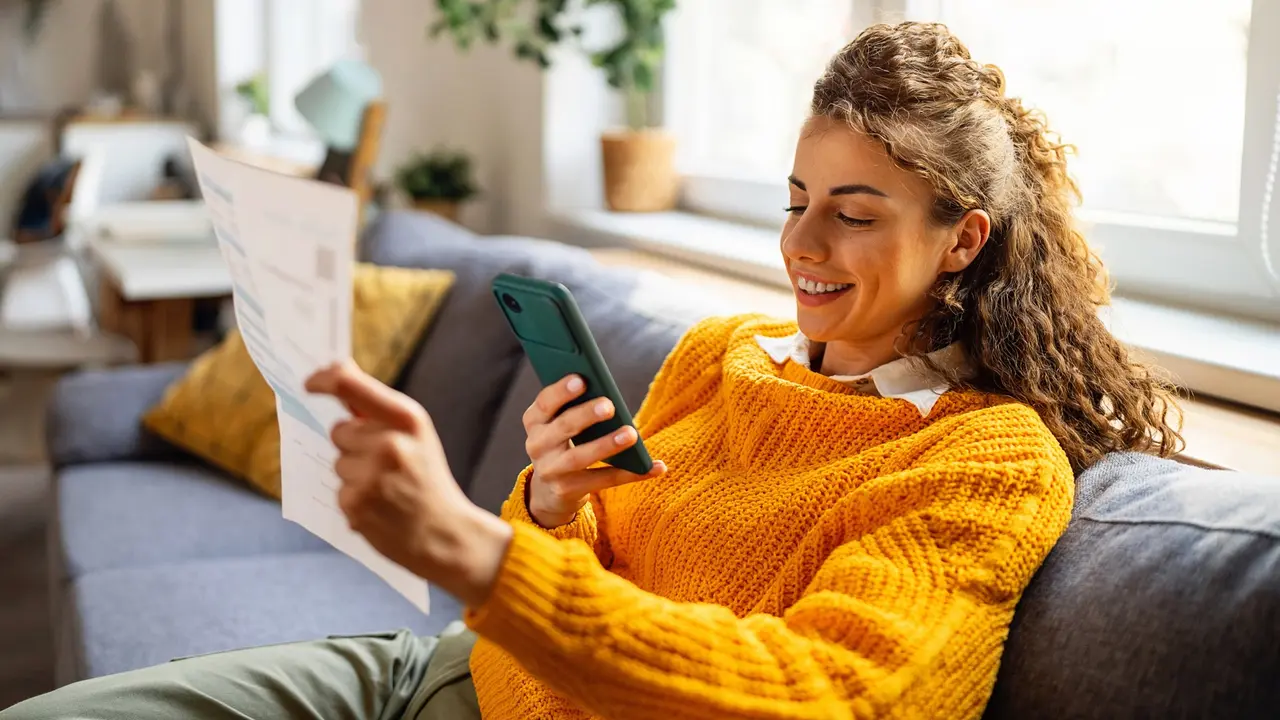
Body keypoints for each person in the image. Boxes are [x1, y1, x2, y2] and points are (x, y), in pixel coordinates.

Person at [4, 21, 1181, 720]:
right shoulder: (725, 356)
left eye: (854, 215)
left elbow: (823, 696)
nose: (802, 248)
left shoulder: (982, 462)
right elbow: (571, 566)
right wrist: (549, 504)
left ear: (960, 239)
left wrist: (473, 544)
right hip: (445, 668)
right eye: (793, 202)